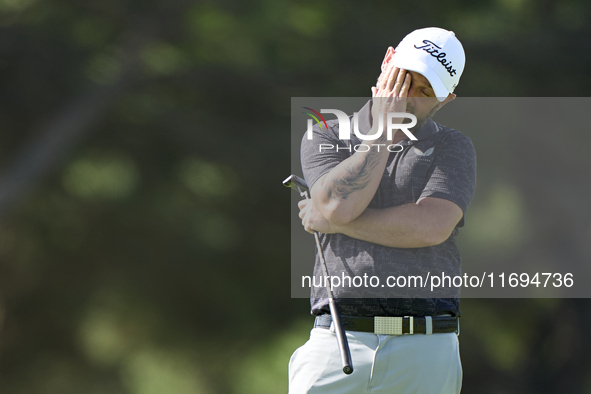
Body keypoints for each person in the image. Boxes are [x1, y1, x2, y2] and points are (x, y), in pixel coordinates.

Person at [289, 27, 477, 393]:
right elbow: (337, 204)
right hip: (337, 342)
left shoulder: (452, 146)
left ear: (446, 98)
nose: (407, 97)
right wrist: (381, 134)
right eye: (403, 79)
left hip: (426, 345)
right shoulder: (325, 132)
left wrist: (335, 223)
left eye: (424, 92)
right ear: (387, 59)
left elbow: (430, 226)